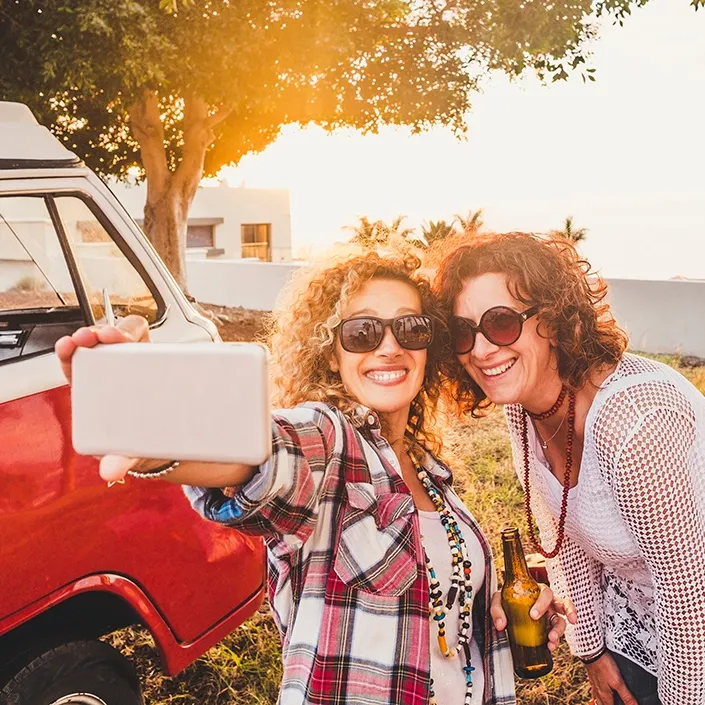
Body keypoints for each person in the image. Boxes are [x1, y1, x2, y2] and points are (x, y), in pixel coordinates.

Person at [56, 251, 573, 705]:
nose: (389, 346)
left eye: (410, 329)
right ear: (332, 350)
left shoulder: (433, 476)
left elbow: (442, 610)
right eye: (363, 331)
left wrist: (508, 609)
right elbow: (260, 456)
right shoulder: (332, 444)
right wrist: (153, 432)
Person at [434, 232, 705, 705]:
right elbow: (564, 534)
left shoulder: (635, 424)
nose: (479, 350)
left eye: (501, 323)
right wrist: (592, 651)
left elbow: (689, 598)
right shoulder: (525, 406)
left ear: (555, 323)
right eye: (463, 332)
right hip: (636, 615)